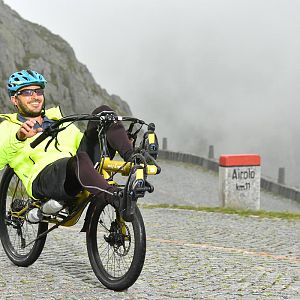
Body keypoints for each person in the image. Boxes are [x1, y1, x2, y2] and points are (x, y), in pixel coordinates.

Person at [0, 69, 133, 216]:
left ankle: (134, 159)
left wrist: (116, 137)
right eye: (27, 93)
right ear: (14, 99)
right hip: (44, 177)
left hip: (75, 168)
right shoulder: (8, 127)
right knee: (79, 160)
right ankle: (114, 197)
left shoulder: (58, 121)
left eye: (38, 91)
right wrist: (19, 137)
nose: (35, 97)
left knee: (103, 113)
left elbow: (80, 142)